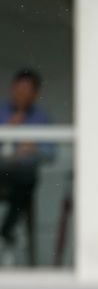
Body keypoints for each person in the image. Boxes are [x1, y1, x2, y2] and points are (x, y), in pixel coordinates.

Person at [0, 69, 54, 260]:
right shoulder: (2, 112)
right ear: (12, 89)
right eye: (18, 89)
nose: (21, 94)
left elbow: (50, 152)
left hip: (22, 176)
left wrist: (33, 147)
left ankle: (6, 231)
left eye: (26, 90)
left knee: (26, 180)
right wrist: (7, 130)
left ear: (35, 93)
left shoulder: (40, 118)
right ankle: (7, 233)